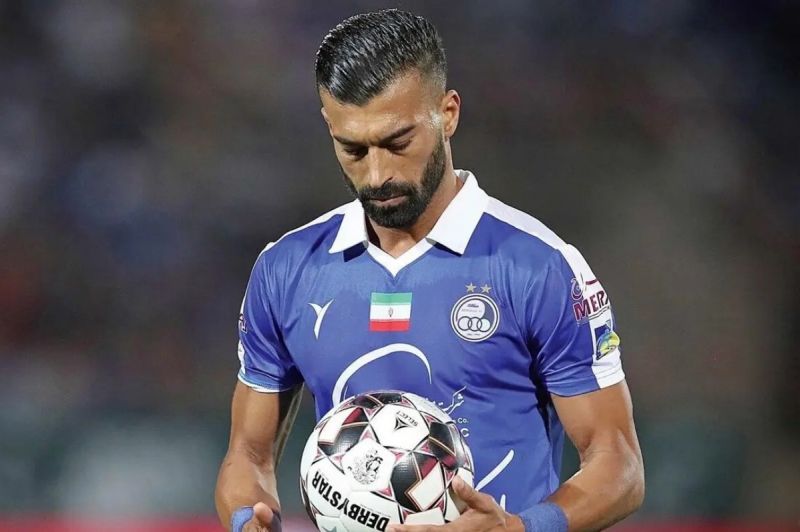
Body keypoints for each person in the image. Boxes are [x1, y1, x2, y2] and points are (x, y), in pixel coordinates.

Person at [215, 9, 644, 532]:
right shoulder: (286, 270)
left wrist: (520, 528)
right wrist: (247, 520)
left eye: (398, 143)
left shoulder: (539, 267)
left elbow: (619, 465)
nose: (378, 174)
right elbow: (247, 455)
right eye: (353, 149)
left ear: (448, 113)